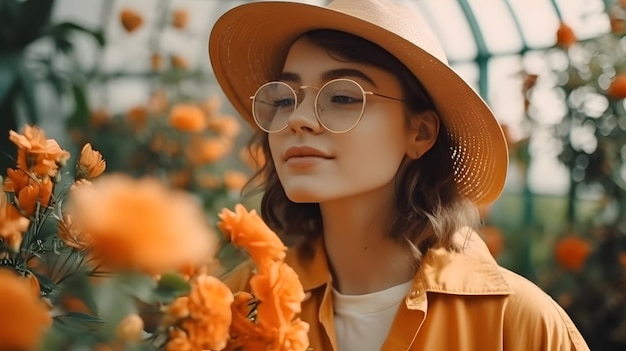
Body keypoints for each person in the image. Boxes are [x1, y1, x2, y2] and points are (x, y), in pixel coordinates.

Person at [208, 0, 590, 350]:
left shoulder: (520, 324)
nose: (298, 119)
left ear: (420, 132)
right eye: (285, 99)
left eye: (343, 97)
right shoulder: (235, 305)